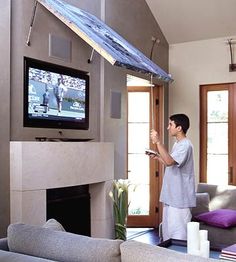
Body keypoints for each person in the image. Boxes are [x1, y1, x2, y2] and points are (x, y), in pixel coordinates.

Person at [147, 113, 196, 241]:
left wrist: (157, 142)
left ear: (179, 128)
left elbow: (169, 162)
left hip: (179, 200)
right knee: (168, 235)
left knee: (178, 237)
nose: (168, 127)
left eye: (170, 124)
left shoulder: (186, 145)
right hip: (171, 197)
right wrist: (158, 157)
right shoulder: (177, 144)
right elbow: (171, 163)